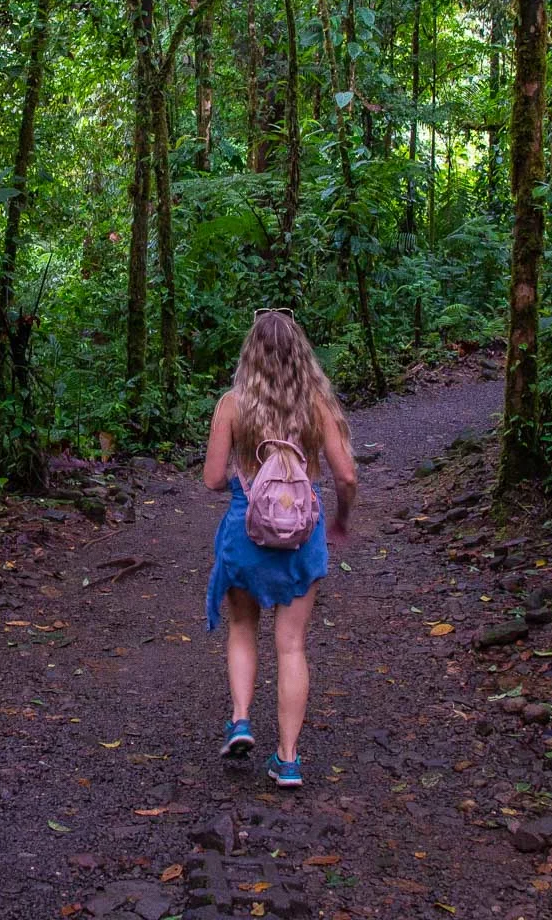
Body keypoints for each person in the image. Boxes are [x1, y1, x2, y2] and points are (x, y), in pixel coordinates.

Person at [203, 308, 357, 788]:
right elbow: (347, 475)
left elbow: (211, 479)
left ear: (250, 352)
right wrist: (340, 518)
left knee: (242, 626)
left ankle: (242, 718)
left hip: (244, 536)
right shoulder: (317, 405)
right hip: (300, 538)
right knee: (291, 646)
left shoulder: (232, 404)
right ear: (300, 354)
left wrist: (247, 477)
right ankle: (287, 759)